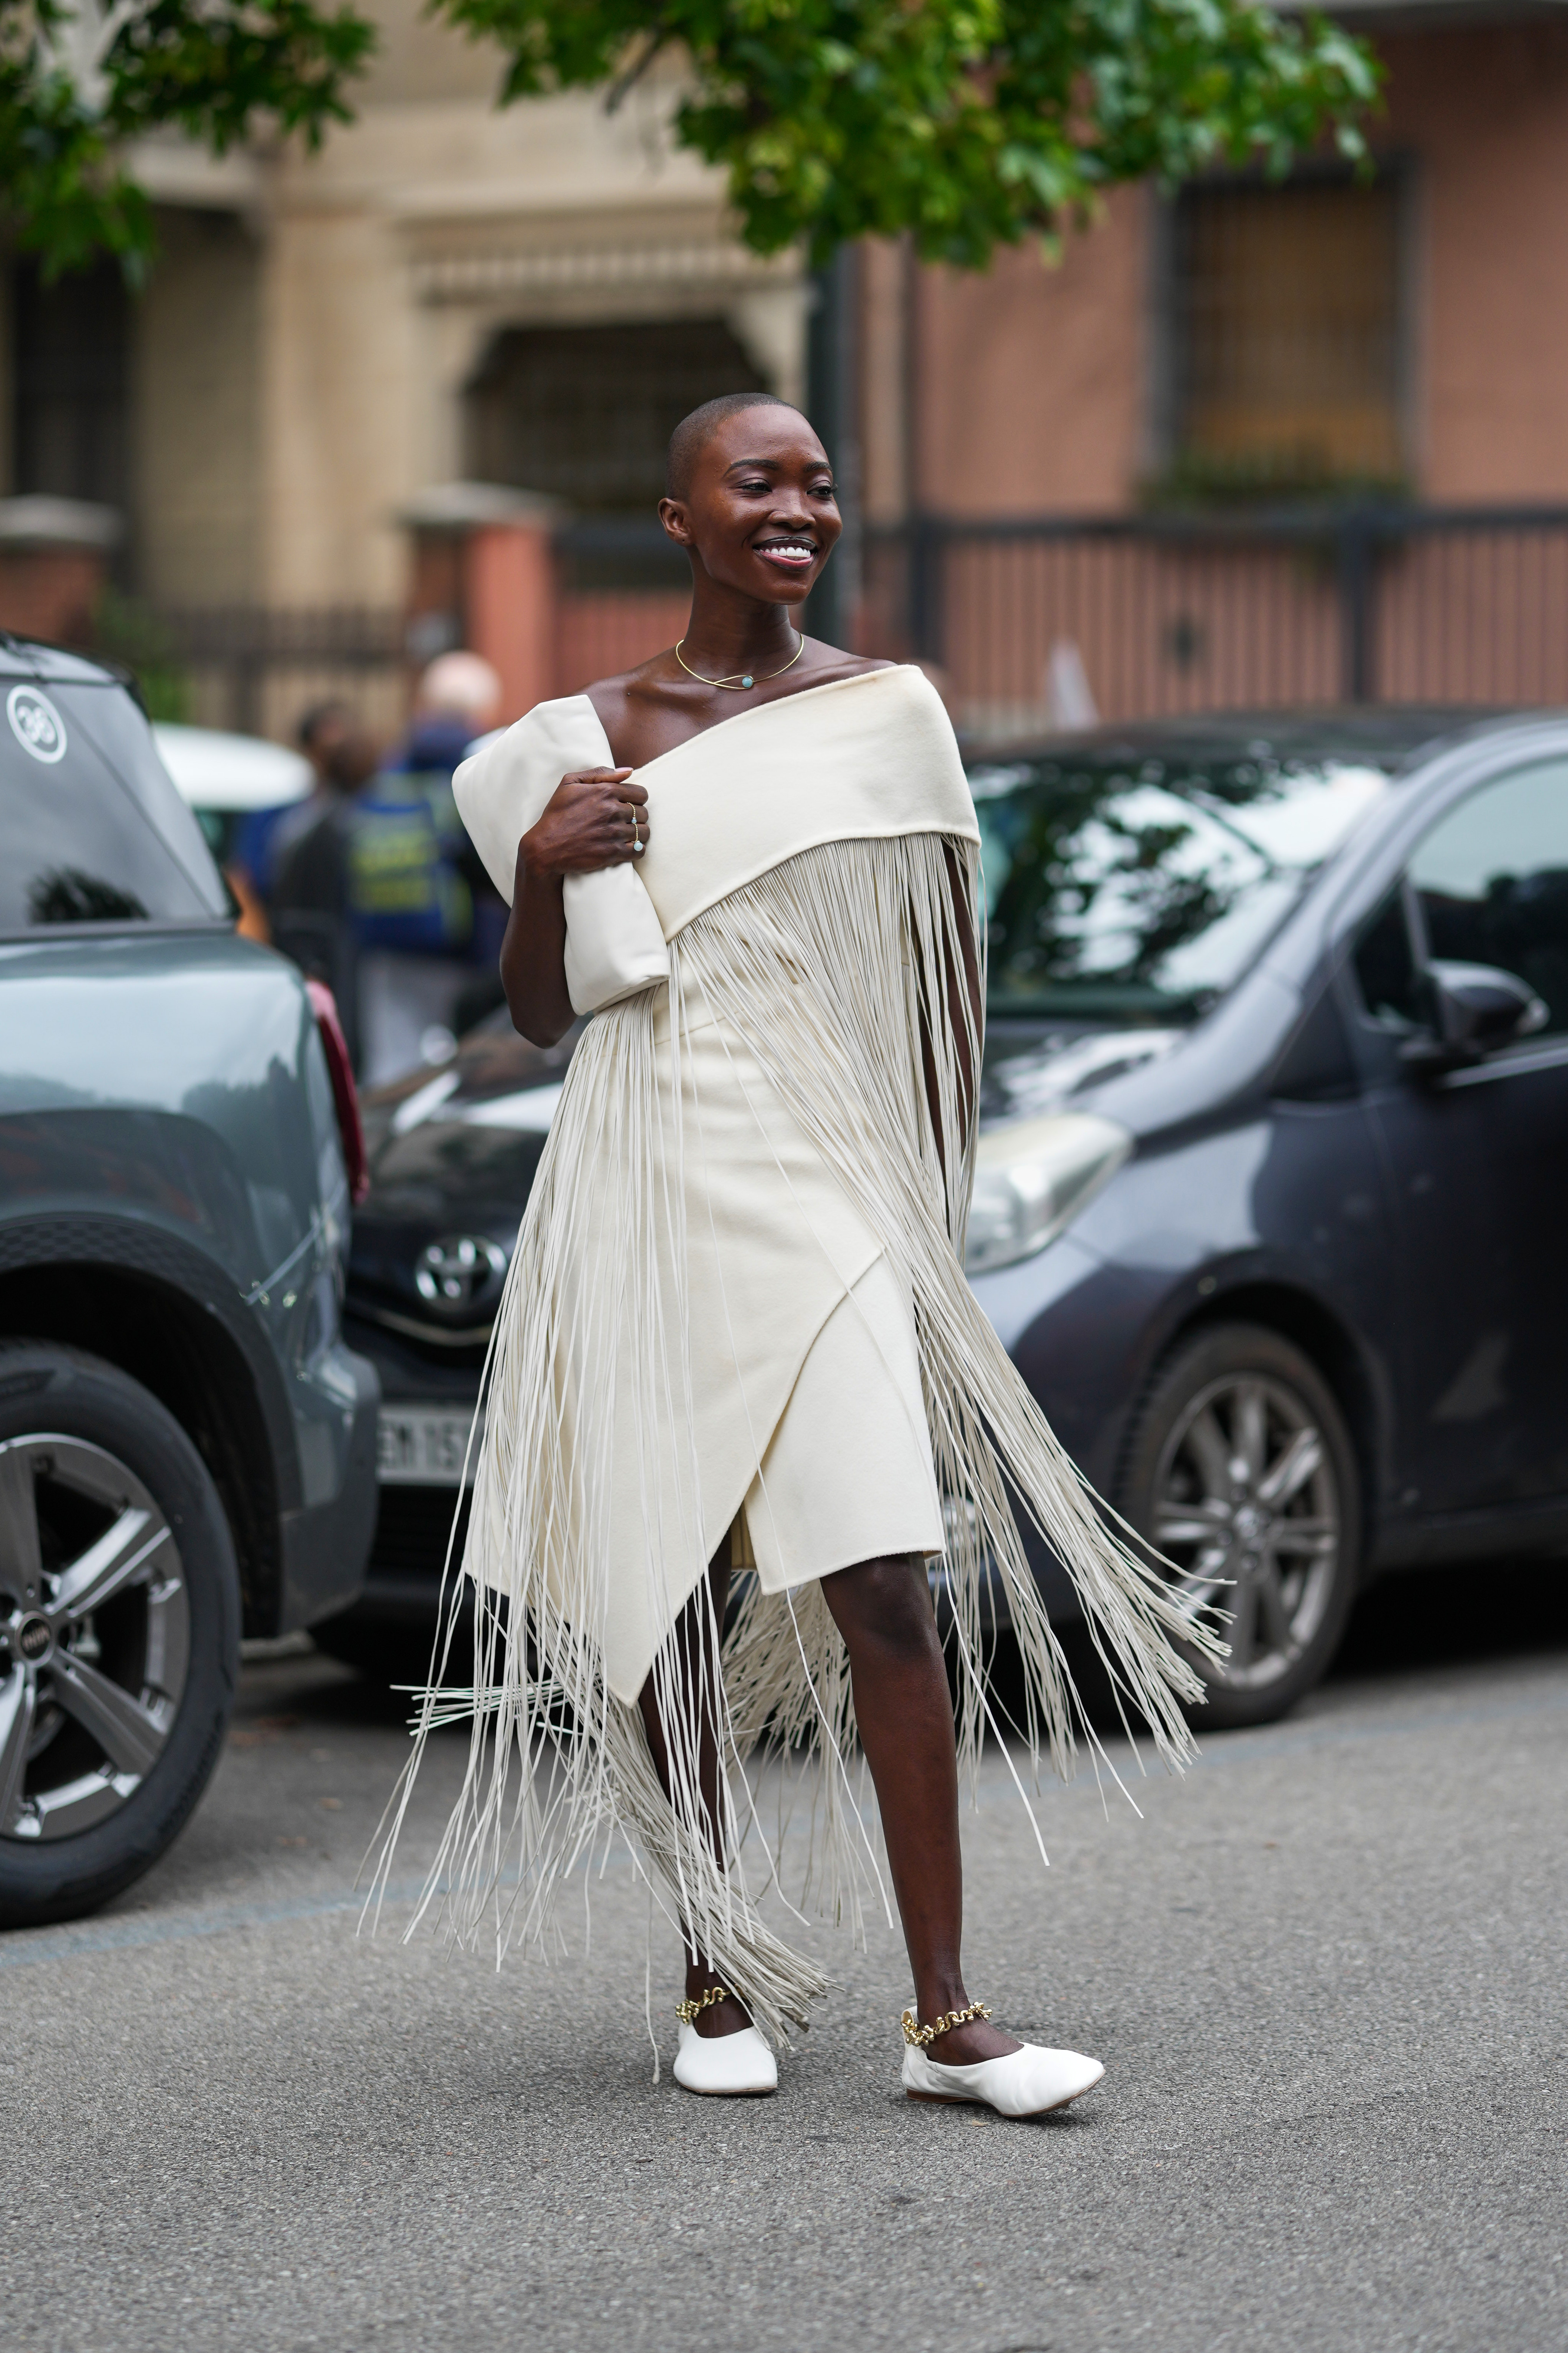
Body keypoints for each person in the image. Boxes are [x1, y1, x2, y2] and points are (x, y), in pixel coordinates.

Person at [372, 395, 1219, 2119]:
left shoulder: (888, 712)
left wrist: (926, 1222)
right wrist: (538, 870)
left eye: (818, 485)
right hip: (640, 1176)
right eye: (757, 481)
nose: (798, 508)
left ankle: (947, 2017)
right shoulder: (576, 740)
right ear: (677, 518)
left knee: (887, 1579)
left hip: (828, 1189)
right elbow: (540, 1014)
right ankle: (713, 1966)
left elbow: (946, 993)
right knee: (665, 1582)